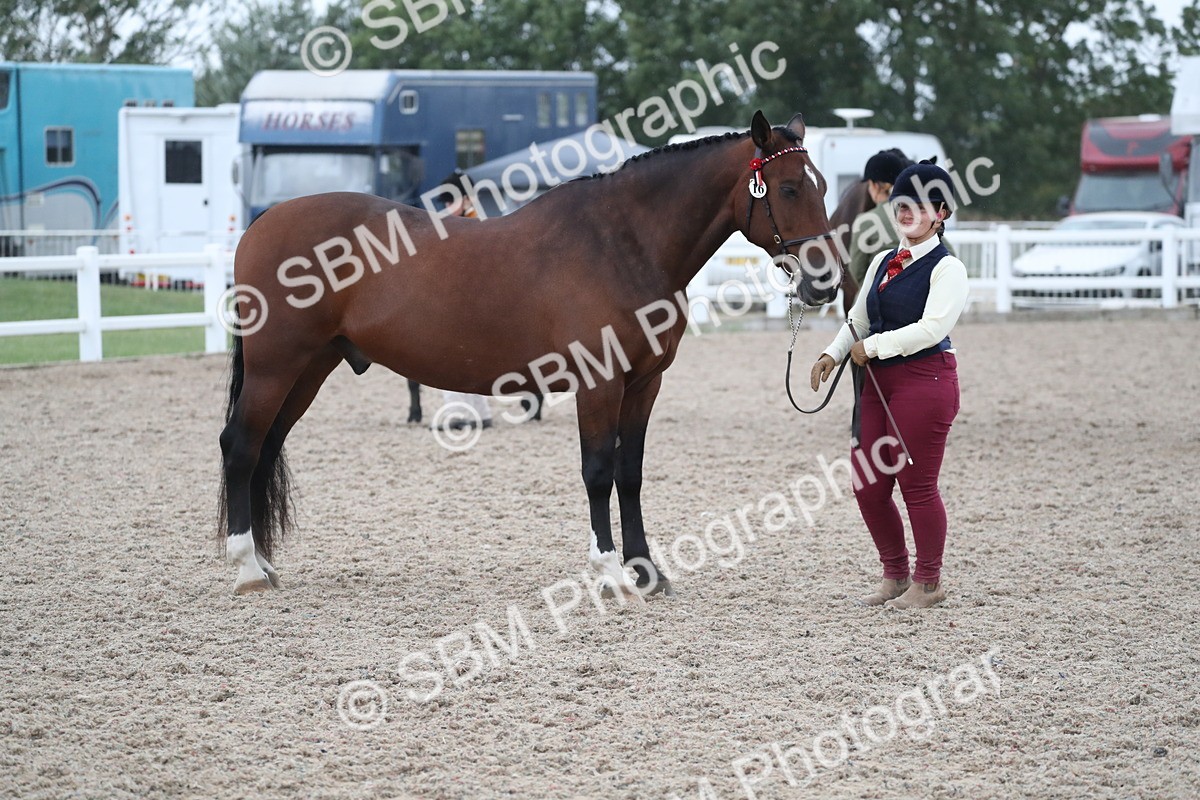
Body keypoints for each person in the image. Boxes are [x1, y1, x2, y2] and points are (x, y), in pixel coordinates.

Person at [810, 161, 969, 610]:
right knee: (868, 484)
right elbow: (857, 319)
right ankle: (895, 573)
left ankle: (929, 581)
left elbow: (931, 327)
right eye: (901, 203)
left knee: (917, 485)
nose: (906, 211)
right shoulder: (882, 260)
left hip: (926, 379)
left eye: (918, 205)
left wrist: (873, 347)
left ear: (940, 212)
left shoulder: (947, 269)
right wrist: (834, 352)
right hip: (878, 384)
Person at [434, 170, 493, 431]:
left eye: (451, 201)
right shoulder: (478, 222)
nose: (447, 208)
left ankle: (457, 413)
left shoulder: (471, 226)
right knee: (473, 359)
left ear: (467, 198)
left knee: (446, 357)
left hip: (464, 302)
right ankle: (480, 413)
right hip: (478, 302)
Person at [846, 149, 911, 295]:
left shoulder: (865, 222)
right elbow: (947, 251)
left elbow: (857, 270)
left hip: (877, 299)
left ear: (874, 185)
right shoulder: (919, 217)